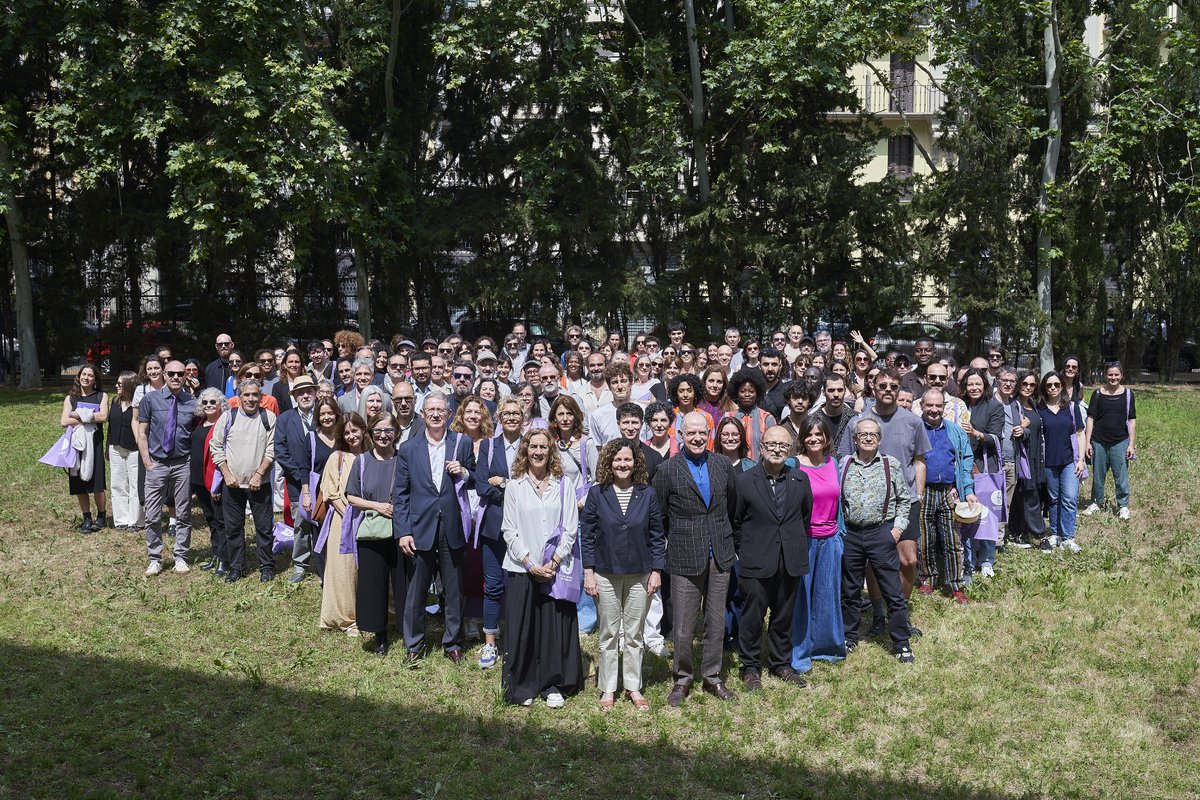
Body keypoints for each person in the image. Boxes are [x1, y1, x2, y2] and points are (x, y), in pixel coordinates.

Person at [653, 411, 739, 706]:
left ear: (709, 434)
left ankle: (712, 677)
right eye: (691, 433)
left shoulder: (722, 465)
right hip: (684, 555)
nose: (697, 438)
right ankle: (682, 678)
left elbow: (731, 505)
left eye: (702, 432)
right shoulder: (667, 470)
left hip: (720, 554)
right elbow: (659, 515)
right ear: (681, 435)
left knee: (716, 622)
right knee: (683, 626)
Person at [501, 429, 585, 707]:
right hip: (521, 567)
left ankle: (552, 685)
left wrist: (554, 561)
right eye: (533, 447)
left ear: (551, 452)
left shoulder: (564, 486)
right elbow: (509, 530)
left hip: (555, 569)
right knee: (522, 629)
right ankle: (523, 685)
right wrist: (529, 562)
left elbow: (571, 528)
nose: (538, 452)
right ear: (524, 451)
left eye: (543, 447)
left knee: (553, 630)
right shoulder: (514, 487)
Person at [582, 439, 666, 712]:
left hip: (640, 573)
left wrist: (656, 570)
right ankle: (608, 687)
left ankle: (633, 685)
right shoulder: (597, 493)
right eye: (617, 460)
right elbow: (587, 535)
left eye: (627, 460)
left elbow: (656, 535)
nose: (622, 464)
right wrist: (589, 572)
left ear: (635, 463)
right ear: (609, 462)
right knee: (608, 633)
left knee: (633, 633)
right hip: (605, 572)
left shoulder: (648, 493)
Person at [392, 392, 476, 661]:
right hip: (420, 528)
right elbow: (401, 493)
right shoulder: (408, 449)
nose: (436, 414)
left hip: (451, 526)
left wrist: (463, 472)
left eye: (441, 409)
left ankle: (452, 642)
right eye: (431, 410)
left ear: (449, 415)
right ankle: (414, 645)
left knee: (453, 589)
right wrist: (403, 531)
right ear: (423, 414)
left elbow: (475, 480)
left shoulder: (461, 445)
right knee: (417, 590)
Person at [731, 426, 813, 691]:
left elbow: (804, 516)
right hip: (756, 560)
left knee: (783, 616)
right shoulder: (744, 481)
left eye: (783, 445)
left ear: (790, 450)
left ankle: (780, 664)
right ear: (762, 447)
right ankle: (751, 667)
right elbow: (735, 521)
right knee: (752, 617)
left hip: (790, 559)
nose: (777, 449)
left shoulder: (800, 480)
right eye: (772, 444)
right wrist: (745, 550)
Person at [841, 418, 914, 662]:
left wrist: (896, 530)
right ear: (855, 439)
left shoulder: (890, 464)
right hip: (850, 534)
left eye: (873, 434)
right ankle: (849, 636)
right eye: (863, 434)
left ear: (880, 439)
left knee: (892, 591)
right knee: (850, 590)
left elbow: (905, 499)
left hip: (880, 533)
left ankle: (901, 642)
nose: (869, 438)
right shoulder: (844, 464)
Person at [791, 415, 847, 673]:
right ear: (802, 438)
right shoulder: (794, 465)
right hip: (804, 539)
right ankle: (800, 652)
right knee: (801, 596)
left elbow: (839, 505)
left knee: (827, 594)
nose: (814, 439)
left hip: (831, 538)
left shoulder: (833, 463)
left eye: (819, 435)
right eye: (809, 435)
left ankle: (826, 647)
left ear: (826, 438)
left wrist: (840, 536)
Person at [346, 411, 402, 655]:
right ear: (370, 433)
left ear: (396, 433)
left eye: (388, 431)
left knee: (402, 581)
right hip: (371, 531)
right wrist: (377, 506)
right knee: (374, 583)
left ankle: (406, 627)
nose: (383, 436)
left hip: (400, 530)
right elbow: (350, 496)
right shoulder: (362, 461)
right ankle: (380, 634)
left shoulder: (404, 459)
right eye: (378, 431)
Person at [210, 378, 277, 582]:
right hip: (233, 484)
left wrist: (259, 474)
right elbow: (216, 446)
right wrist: (227, 474)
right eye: (246, 394)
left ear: (261, 397)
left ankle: (266, 566)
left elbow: (272, 449)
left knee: (264, 528)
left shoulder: (269, 418)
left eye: (255, 394)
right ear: (238, 397)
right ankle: (236, 567)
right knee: (233, 528)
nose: (250, 399)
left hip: (260, 484)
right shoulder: (227, 418)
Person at [136, 360, 196, 573]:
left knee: (183, 513)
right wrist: (146, 461)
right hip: (157, 463)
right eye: (171, 373)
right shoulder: (150, 400)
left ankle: (181, 555)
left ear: (185, 376)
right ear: (164, 373)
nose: (176, 377)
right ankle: (155, 557)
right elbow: (142, 432)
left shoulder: (192, 402)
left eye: (180, 374)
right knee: (152, 514)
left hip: (182, 464)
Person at [917, 389, 975, 601]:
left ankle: (956, 585)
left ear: (944, 407)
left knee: (953, 539)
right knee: (924, 539)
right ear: (922, 406)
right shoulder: (915, 429)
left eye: (938, 406)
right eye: (929, 405)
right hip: (924, 491)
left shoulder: (955, 431)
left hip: (949, 491)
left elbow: (966, 460)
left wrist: (967, 490)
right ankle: (927, 579)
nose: (934, 410)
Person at [318, 409, 368, 634]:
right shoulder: (336, 457)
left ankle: (369, 612)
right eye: (346, 432)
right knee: (344, 571)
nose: (351, 436)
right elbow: (330, 492)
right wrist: (350, 515)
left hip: (371, 520)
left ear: (363, 430)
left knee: (366, 570)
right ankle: (346, 619)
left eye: (355, 430)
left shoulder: (372, 455)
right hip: (343, 521)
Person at [274, 375, 323, 583]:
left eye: (308, 391)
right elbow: (280, 450)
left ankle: (325, 563)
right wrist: (299, 475)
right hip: (296, 482)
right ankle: (301, 564)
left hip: (322, 480)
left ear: (315, 393)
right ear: (294, 396)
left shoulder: (325, 414)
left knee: (323, 522)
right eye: (300, 392)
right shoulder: (285, 419)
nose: (305, 395)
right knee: (301, 522)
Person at [960, 367, 1004, 577]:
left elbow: (996, 437)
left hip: (984, 466)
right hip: (962, 466)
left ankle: (986, 559)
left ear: (985, 386)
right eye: (970, 384)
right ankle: (968, 557)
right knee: (967, 512)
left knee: (987, 514)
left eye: (978, 384)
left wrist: (976, 433)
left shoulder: (994, 407)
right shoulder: (959, 405)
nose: (974, 387)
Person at [1037, 371, 1085, 552]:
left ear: (1062, 387)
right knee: (1054, 499)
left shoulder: (1072, 407)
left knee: (1070, 498)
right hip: (1048, 462)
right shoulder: (1039, 410)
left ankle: (1068, 537)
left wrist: (1081, 459)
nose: (1053, 388)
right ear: (1044, 388)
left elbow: (1080, 433)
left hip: (1069, 461)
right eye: (1049, 385)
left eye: (1056, 385)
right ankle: (1056, 533)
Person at [1083, 363, 1136, 520]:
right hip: (1098, 441)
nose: (1113, 378)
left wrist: (1131, 444)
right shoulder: (1098, 394)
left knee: (1121, 476)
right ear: (1105, 375)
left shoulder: (1128, 395)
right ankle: (1096, 502)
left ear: (1121, 375)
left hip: (1120, 442)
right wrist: (1087, 442)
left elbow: (1131, 420)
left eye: (1116, 375)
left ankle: (1123, 506)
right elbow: (1090, 418)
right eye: (1110, 375)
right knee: (1098, 476)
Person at [63, 364, 109, 533]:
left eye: (90, 375)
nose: (86, 378)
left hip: (95, 443)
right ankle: (87, 517)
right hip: (76, 444)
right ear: (79, 376)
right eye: (84, 374)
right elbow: (64, 421)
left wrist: (78, 414)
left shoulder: (101, 396)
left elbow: (103, 417)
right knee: (78, 483)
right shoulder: (70, 398)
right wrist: (89, 416)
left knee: (97, 483)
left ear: (95, 379)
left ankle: (102, 516)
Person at [191, 388, 227, 573]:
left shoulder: (224, 424)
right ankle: (215, 554)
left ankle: (224, 558)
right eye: (205, 402)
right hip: (199, 480)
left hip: (215, 481)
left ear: (221, 404)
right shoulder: (200, 423)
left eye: (213, 402)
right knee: (211, 519)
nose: (209, 405)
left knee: (221, 521)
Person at [107, 370, 142, 530]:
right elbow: (111, 427)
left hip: (134, 449)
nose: (116, 386)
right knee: (118, 484)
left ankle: (136, 521)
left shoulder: (138, 404)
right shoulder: (114, 402)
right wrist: (108, 447)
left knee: (135, 484)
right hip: (115, 447)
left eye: (120, 384)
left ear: (129, 385)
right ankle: (121, 520)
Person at [727, 368, 776, 460]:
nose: (747, 394)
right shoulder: (728, 417)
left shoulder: (767, 419)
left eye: (751, 391)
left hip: (759, 470)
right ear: (736, 393)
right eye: (742, 391)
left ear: (757, 393)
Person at [586, 360, 634, 445]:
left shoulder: (643, 411)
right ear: (609, 386)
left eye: (623, 381)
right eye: (615, 382)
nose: (619, 387)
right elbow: (598, 449)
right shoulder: (598, 415)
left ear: (631, 383)